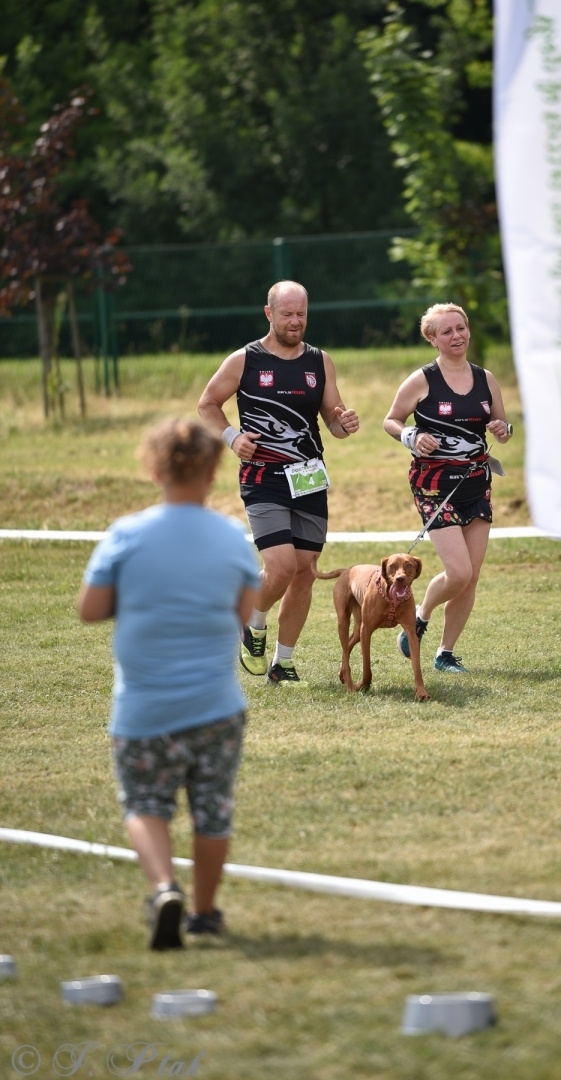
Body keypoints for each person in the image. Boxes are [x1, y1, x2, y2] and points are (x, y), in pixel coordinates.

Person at [77, 418, 261, 950]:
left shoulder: (126, 534)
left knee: (145, 806)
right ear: (213, 472)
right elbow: (246, 614)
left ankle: (163, 889)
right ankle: (204, 913)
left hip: (143, 710)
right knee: (213, 810)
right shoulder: (231, 537)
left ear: (154, 469)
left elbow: (90, 610)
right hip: (216, 706)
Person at [197, 279, 359, 685]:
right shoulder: (245, 360)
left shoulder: (320, 361)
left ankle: (282, 663)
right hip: (262, 476)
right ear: (269, 313)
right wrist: (233, 438)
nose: (295, 321)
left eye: (301, 313)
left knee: (305, 570)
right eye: (287, 314)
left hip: (308, 476)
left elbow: (332, 421)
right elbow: (208, 403)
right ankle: (253, 616)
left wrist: (344, 423)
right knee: (282, 565)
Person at [383, 302, 512, 673]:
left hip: (476, 482)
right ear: (432, 339)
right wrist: (413, 435)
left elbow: (500, 424)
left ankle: (444, 653)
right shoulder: (422, 379)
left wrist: (504, 430)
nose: (457, 336)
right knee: (459, 572)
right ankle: (420, 617)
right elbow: (391, 420)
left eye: (461, 328)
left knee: (471, 575)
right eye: (447, 332)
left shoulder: (486, 378)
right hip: (434, 485)